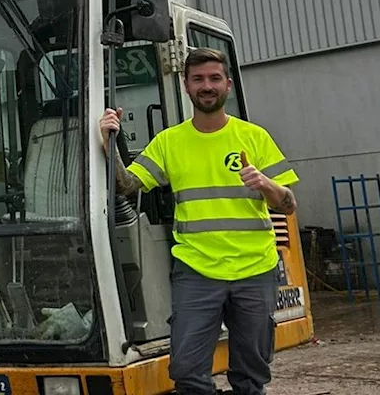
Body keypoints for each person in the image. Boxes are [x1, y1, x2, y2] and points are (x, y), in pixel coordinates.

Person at [99, 47, 299, 395]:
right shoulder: (169, 142)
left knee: (251, 375)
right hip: (196, 271)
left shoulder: (254, 138)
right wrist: (109, 141)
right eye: (198, 79)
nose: (207, 86)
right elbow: (126, 186)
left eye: (214, 78)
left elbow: (289, 205)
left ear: (228, 85)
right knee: (187, 371)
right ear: (187, 88)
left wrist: (265, 183)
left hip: (254, 270)